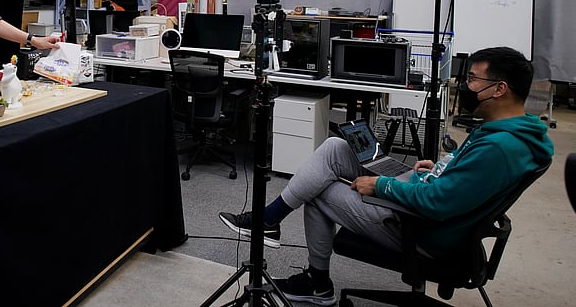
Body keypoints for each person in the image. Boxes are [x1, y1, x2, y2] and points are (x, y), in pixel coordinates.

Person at [218, 46, 553, 306]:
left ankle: (316, 282)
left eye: (473, 80)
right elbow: (464, 182)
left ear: (499, 89)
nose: (465, 86)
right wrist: (437, 168)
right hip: (427, 196)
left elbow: (438, 204)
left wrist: (382, 184)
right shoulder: (516, 132)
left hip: (421, 228)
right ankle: (269, 220)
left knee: (319, 190)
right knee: (336, 147)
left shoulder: (499, 148)